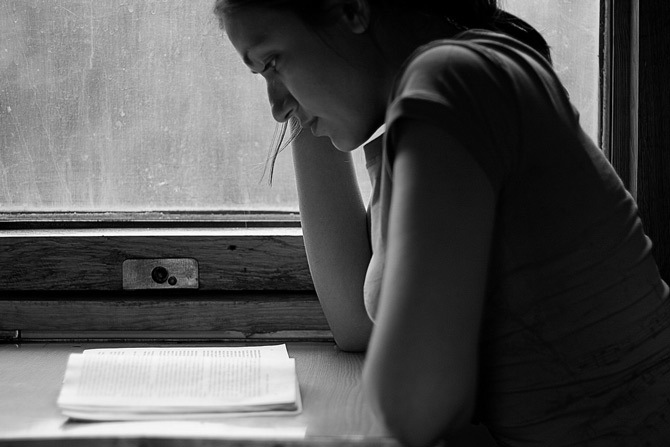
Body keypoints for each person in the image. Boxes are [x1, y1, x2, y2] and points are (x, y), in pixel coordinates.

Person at [214, 1, 670, 445]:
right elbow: (359, 322)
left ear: (351, 10)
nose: (274, 108)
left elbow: (417, 406)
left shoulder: (453, 84)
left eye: (273, 61)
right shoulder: (426, 104)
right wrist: (306, 103)